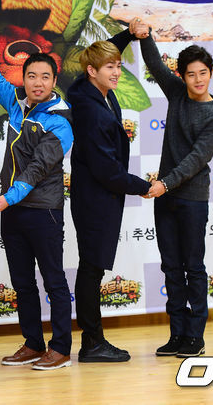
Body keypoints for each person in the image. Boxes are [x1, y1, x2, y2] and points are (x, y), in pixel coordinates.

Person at [0, 28, 73, 370]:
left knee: (53, 281)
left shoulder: (61, 119)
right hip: (13, 209)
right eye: (31, 76)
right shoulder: (17, 102)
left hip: (43, 209)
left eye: (45, 77)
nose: (38, 83)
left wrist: (8, 198)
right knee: (22, 283)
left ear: (54, 81)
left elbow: (38, 168)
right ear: (23, 78)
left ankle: (61, 349)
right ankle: (33, 344)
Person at [67, 22, 161, 362]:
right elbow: (107, 171)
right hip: (96, 198)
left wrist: (127, 36)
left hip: (99, 196)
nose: (117, 72)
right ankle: (92, 342)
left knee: (91, 268)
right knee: (91, 269)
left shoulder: (86, 90)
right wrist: (145, 187)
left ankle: (92, 340)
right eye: (110, 67)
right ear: (92, 71)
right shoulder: (92, 111)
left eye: (119, 65)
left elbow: (102, 54)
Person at [137, 19, 213, 357]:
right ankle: (177, 334)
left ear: (211, 73)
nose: (198, 80)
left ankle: (195, 337)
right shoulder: (176, 93)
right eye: (191, 74)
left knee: (194, 268)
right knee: (171, 268)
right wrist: (144, 35)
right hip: (166, 198)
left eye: (203, 73)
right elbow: (154, 64)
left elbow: (195, 160)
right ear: (183, 76)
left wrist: (165, 183)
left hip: (191, 199)